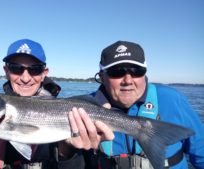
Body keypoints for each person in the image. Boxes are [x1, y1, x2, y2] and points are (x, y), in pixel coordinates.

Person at [0, 39, 114, 169]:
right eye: (16, 68)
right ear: (6, 71)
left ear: (44, 73)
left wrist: (68, 152)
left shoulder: (72, 113)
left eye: (34, 70)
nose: (25, 78)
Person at [84, 40, 204, 169]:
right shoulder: (81, 108)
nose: (128, 80)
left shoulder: (172, 99)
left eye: (137, 71)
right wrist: (66, 152)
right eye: (117, 72)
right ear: (102, 77)